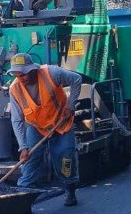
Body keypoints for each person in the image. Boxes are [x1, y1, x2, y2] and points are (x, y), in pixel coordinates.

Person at [7, 53, 82, 206]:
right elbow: (17, 119)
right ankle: (24, 198)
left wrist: (71, 105)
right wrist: (23, 146)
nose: (21, 78)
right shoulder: (14, 89)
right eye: (17, 75)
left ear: (32, 69)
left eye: (24, 74)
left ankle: (70, 188)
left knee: (65, 157)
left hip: (61, 124)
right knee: (29, 160)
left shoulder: (51, 73)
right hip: (37, 127)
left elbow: (76, 79)